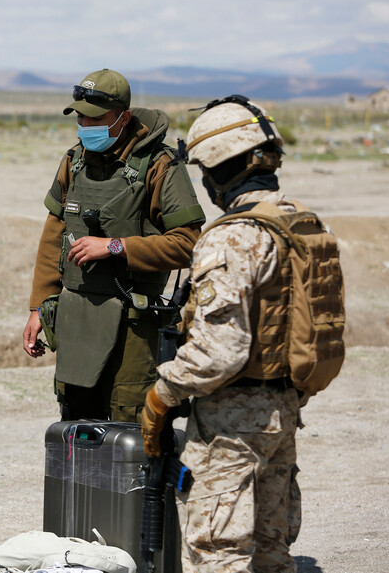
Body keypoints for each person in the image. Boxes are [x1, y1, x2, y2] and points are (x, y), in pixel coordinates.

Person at [141, 95, 345, 571]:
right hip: (285, 408)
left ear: (217, 168)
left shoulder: (232, 236)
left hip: (233, 423)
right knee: (271, 551)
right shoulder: (303, 222)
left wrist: (162, 395)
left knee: (219, 554)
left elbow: (219, 352)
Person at [22, 69, 205, 422]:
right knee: (77, 422)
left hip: (134, 324)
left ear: (123, 117)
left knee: (129, 422)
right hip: (76, 320)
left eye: (95, 118)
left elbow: (189, 243)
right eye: (80, 117)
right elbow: (53, 233)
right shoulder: (74, 161)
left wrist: (117, 247)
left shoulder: (160, 166)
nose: (85, 124)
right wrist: (37, 307)